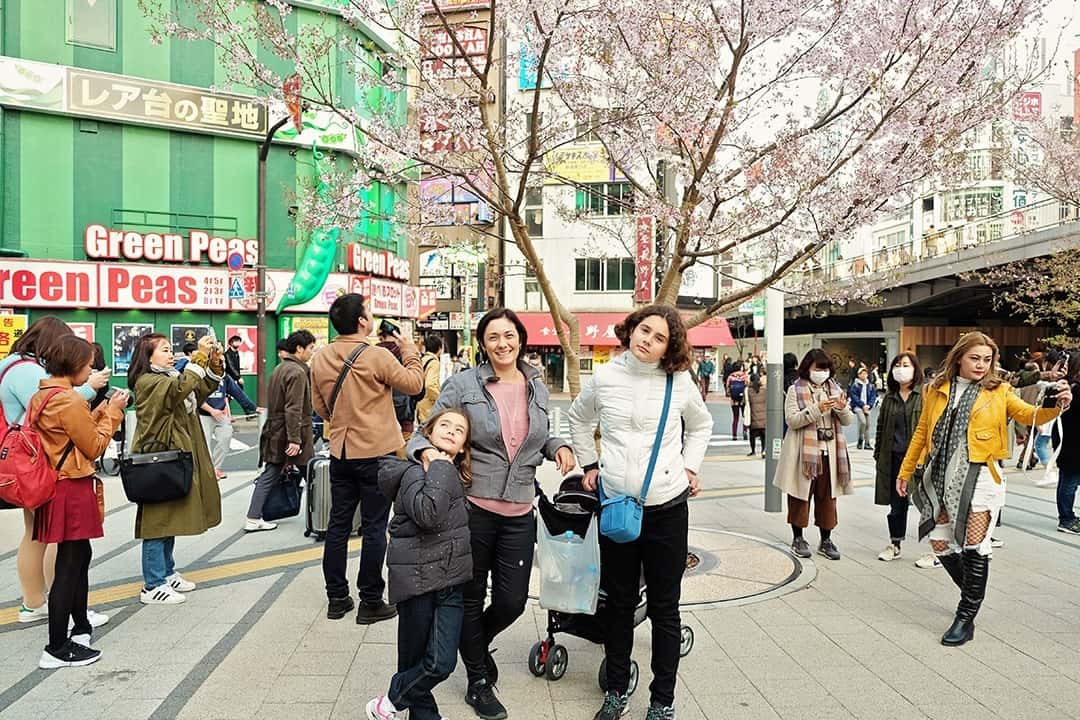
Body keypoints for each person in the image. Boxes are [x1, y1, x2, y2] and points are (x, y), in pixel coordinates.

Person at [407, 308, 575, 720]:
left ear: (520, 338)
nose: (502, 343)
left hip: (520, 509)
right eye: (493, 337)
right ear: (483, 343)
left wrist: (557, 448)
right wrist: (427, 452)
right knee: (469, 596)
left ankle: (473, 645)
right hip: (472, 508)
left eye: (509, 335)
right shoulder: (464, 384)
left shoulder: (536, 384)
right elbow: (424, 430)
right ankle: (478, 680)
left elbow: (538, 435)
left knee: (512, 601)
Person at [568, 304, 712, 720]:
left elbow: (700, 426)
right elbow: (578, 419)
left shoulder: (679, 381)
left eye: (659, 337)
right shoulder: (606, 376)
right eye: (643, 330)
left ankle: (661, 701)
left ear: (670, 347)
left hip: (667, 507)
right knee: (618, 602)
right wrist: (590, 465)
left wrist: (689, 466)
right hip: (617, 506)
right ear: (631, 329)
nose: (647, 340)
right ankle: (616, 691)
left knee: (665, 607)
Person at [897, 332, 1070, 646]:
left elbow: (1027, 414)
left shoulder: (999, 390)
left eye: (987, 359)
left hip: (981, 476)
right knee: (940, 544)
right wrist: (906, 470)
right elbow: (923, 431)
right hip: (940, 477)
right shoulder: (936, 389)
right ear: (959, 357)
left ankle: (965, 616)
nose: (981, 365)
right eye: (975, 358)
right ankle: (972, 593)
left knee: (975, 546)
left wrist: (1057, 407)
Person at [311, 294, 423, 624]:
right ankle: (371, 600)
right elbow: (415, 384)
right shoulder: (376, 356)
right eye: (369, 312)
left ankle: (336, 597)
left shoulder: (320, 357)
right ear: (362, 322)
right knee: (375, 526)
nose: (372, 317)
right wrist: (409, 350)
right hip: (376, 453)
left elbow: (319, 407)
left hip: (341, 452)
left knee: (338, 525)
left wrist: (344, 416)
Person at [0, 316, 110, 626]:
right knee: (56, 538)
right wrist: (90, 390)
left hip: (27, 460)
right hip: (42, 463)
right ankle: (61, 606)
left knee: (35, 535)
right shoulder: (28, 371)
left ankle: (34, 602)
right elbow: (56, 408)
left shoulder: (12, 365)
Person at [366, 409, 474, 720]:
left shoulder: (455, 474)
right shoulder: (414, 472)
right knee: (413, 657)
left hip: (450, 582)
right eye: (445, 425)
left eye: (459, 430)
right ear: (427, 434)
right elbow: (428, 514)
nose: (452, 431)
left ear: (465, 445)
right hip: (418, 581)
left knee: (442, 662)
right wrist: (438, 464)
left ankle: (390, 700)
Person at [28, 336, 126, 668]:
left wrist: (99, 410)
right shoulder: (68, 400)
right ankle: (56, 647)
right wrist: (112, 414)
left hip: (57, 483)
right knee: (69, 565)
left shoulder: (43, 395)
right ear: (72, 365)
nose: (91, 370)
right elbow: (94, 446)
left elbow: (72, 435)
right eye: (87, 364)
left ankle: (80, 627)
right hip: (70, 485)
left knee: (79, 556)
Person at [128, 333, 224, 605]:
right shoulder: (149, 382)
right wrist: (198, 357)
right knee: (157, 522)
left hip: (171, 456)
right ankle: (153, 584)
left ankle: (167, 573)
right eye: (165, 350)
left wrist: (213, 362)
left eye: (171, 350)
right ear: (147, 357)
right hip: (159, 458)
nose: (171, 355)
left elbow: (196, 390)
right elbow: (180, 390)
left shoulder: (169, 377)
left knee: (169, 518)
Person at [773, 349, 854, 561]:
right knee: (800, 496)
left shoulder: (835, 389)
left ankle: (826, 540)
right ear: (808, 367)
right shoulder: (795, 390)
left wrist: (843, 408)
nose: (822, 372)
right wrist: (817, 408)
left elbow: (848, 421)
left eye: (825, 368)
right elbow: (792, 420)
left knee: (827, 498)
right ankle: (798, 538)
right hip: (803, 454)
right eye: (818, 367)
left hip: (830, 453)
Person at [246, 330, 316, 532]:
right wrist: (295, 439)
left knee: (272, 472)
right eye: (310, 348)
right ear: (300, 349)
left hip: (276, 430)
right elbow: (294, 408)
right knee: (311, 475)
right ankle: (321, 518)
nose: (312, 352)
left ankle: (253, 516)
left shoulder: (280, 368)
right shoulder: (298, 372)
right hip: (294, 432)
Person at [873, 353, 923, 562]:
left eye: (906, 365)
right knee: (897, 504)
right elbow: (880, 427)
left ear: (915, 369)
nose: (901, 368)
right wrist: (878, 454)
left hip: (919, 459)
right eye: (897, 365)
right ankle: (895, 543)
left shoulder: (924, 395)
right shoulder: (889, 398)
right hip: (893, 457)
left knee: (926, 502)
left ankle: (935, 548)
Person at [200, 371, 257, 481]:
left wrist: (253, 408)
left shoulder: (225, 377)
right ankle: (208, 470)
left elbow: (238, 393)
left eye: (224, 362)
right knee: (204, 445)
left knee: (225, 437)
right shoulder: (202, 375)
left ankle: (216, 468)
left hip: (221, 414)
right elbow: (196, 397)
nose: (222, 365)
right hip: (203, 414)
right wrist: (211, 410)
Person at [379, 321, 418, 447]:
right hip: (403, 417)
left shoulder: (370, 354)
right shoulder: (406, 353)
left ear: (381, 336)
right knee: (402, 458)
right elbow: (419, 389)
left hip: (377, 421)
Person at [1054, 353, 1080, 535]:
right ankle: (1066, 519)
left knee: (1068, 479)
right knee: (1069, 481)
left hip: (1068, 443)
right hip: (1073, 444)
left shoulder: (1069, 386)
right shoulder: (1073, 389)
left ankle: (1067, 516)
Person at [416, 335, 444, 425]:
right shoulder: (434, 363)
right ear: (439, 348)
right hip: (428, 405)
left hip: (419, 402)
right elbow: (430, 385)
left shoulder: (422, 359)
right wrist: (441, 399)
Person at [848, 366, 878, 450]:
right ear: (858, 375)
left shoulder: (870, 385)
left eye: (865, 373)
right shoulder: (855, 385)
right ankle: (860, 439)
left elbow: (873, 396)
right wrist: (862, 405)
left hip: (867, 407)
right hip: (858, 406)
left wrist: (869, 405)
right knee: (863, 422)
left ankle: (867, 443)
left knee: (867, 425)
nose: (864, 375)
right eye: (862, 373)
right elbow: (854, 396)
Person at [725, 361, 748, 440]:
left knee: (735, 418)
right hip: (743, 399)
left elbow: (727, 388)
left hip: (734, 400)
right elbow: (747, 386)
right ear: (741, 367)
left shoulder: (730, 377)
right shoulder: (744, 376)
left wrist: (730, 394)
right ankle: (745, 431)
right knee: (745, 416)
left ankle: (734, 435)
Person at [747, 371, 767, 457]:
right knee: (763, 436)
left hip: (753, 416)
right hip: (764, 418)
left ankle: (753, 451)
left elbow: (746, 403)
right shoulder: (764, 390)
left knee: (752, 435)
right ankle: (763, 450)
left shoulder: (748, 390)